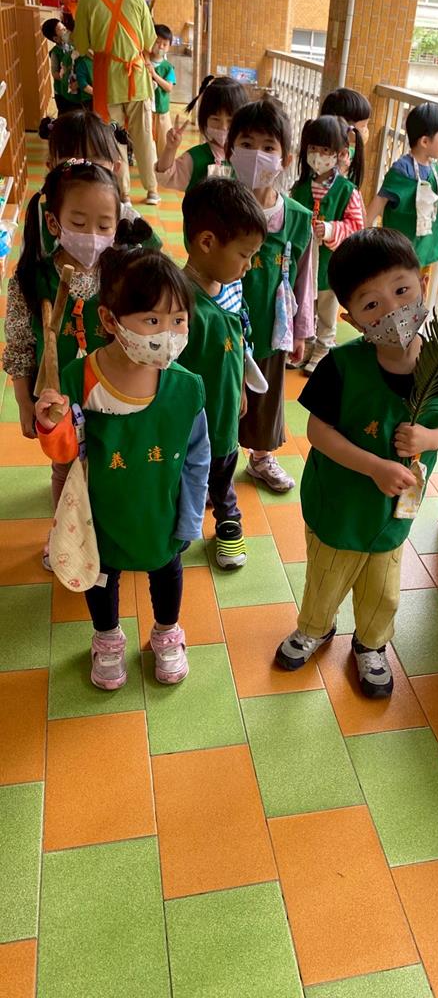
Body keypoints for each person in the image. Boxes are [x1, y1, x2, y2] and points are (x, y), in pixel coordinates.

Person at [275, 227, 438, 697]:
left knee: (383, 585)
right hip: (340, 505)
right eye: (371, 304)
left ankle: (371, 643)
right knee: (326, 577)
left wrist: (430, 436)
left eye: (401, 291)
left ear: (423, 283)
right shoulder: (341, 366)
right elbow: (318, 432)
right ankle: (315, 627)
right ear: (352, 318)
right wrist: (374, 467)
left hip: (394, 512)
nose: (391, 311)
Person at [34, 245, 210, 690]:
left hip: (161, 512)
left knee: (166, 571)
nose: (168, 334)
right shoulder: (78, 379)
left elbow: (197, 457)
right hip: (101, 515)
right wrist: (49, 424)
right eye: (152, 320)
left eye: (178, 320)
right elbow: (64, 453)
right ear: (110, 321)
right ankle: (107, 638)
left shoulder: (186, 388)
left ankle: (167, 632)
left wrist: (190, 518)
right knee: (101, 576)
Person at [3, 162, 131, 574]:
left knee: (112, 462)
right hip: (58, 401)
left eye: (104, 225)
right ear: (54, 223)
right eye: (79, 222)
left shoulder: (124, 274)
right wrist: (25, 403)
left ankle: (108, 531)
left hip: (113, 394)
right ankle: (65, 536)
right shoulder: (31, 278)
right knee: (65, 466)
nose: (92, 234)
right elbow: (20, 346)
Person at [225, 98, 314, 493]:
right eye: (246, 144)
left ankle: (261, 458)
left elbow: (304, 279)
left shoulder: (297, 218)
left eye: (268, 146)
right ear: (230, 150)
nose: (256, 154)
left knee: (267, 394)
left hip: (271, 325)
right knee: (224, 393)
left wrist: (301, 330)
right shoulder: (218, 205)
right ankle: (215, 466)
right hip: (225, 324)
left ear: (286, 158)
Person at [179, 178, 267, 568]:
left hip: (225, 416)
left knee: (223, 474)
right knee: (184, 477)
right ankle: (180, 524)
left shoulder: (230, 287)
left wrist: (241, 389)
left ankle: (228, 521)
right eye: (244, 255)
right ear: (207, 242)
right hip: (186, 426)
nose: (248, 266)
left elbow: (237, 348)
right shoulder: (177, 302)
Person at [73, 0, 160, 205]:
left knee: (113, 139)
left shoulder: (87, 0)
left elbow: (80, 45)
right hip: (136, 78)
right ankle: (152, 190)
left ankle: (124, 194)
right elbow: (149, 42)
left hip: (106, 81)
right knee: (144, 137)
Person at [291, 115, 365, 374]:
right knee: (304, 303)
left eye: (325, 150)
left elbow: (357, 227)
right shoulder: (301, 187)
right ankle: (307, 342)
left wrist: (331, 229)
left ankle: (324, 346)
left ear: (340, 153)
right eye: (313, 148)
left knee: (326, 306)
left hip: (329, 264)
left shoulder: (347, 190)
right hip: (304, 260)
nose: (318, 155)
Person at [37, 109, 162, 250]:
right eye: (72, 163)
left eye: (94, 164)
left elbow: (155, 259)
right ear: (51, 167)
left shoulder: (130, 221)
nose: (84, 172)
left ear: (115, 168)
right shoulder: (40, 219)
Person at [366, 102, 438, 274]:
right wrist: (362, 232)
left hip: (424, 253)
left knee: (419, 289)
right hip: (398, 254)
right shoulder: (402, 170)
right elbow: (379, 200)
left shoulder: (435, 171)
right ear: (425, 141)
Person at [156, 75, 248, 192]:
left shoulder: (248, 157)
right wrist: (170, 149)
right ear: (204, 119)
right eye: (215, 119)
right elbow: (166, 177)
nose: (223, 127)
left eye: (231, 120)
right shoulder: (195, 158)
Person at [320, 87, 371, 182]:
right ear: (345, 128)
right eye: (363, 125)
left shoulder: (351, 152)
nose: (366, 131)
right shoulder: (322, 157)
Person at [42, 18, 80, 115]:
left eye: (65, 28)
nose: (66, 30)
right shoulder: (55, 53)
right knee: (65, 114)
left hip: (73, 89)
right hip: (62, 91)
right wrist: (65, 77)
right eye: (62, 30)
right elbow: (54, 73)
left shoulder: (71, 46)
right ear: (56, 39)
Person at [149, 24, 176, 157]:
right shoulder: (144, 61)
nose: (160, 47)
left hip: (162, 112)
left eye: (164, 44)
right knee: (148, 146)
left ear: (169, 47)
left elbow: (169, 87)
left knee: (164, 145)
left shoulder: (168, 67)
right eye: (157, 42)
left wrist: (154, 75)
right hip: (146, 110)